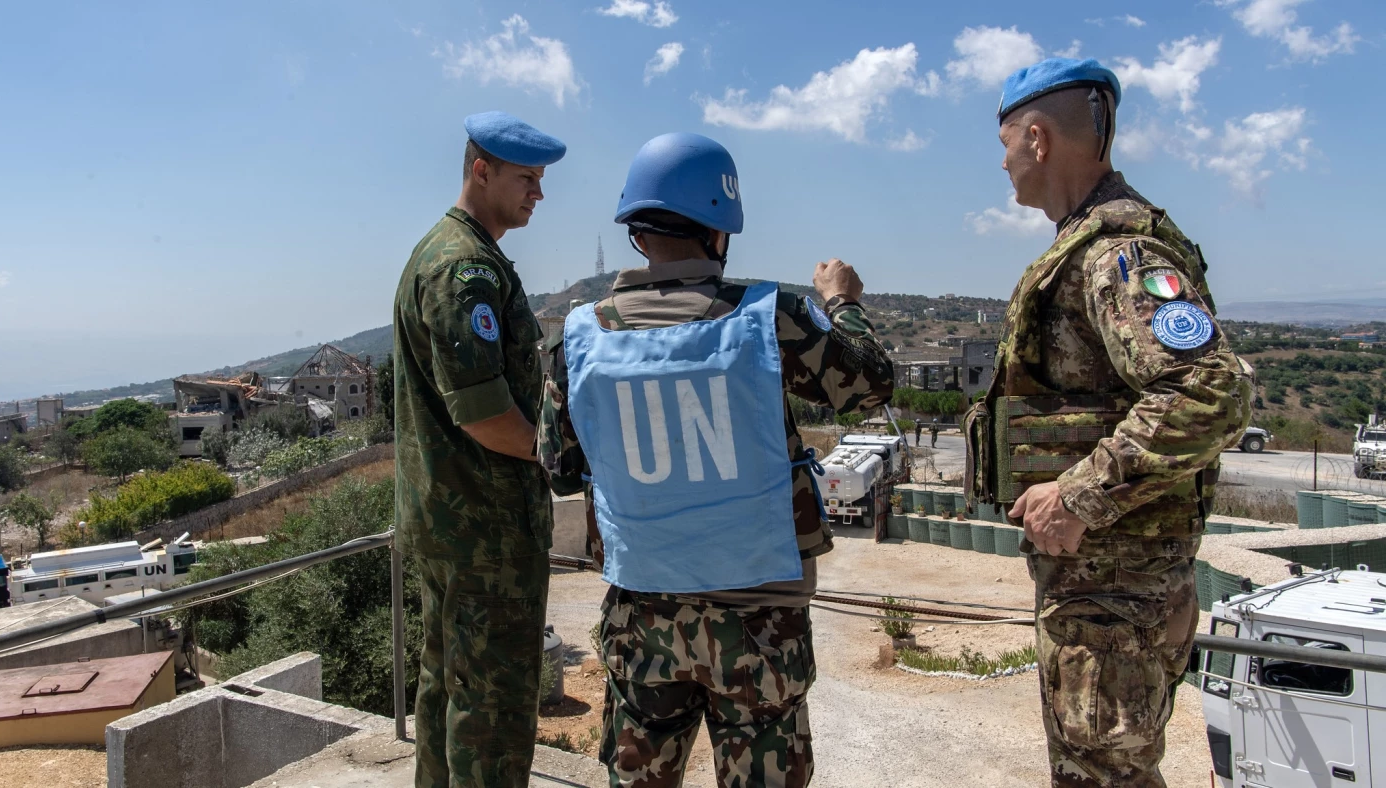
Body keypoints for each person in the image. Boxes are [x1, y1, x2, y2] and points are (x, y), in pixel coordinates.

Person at [537, 132, 893, 788]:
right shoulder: (770, 317)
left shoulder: (578, 339)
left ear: (637, 233)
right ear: (721, 230)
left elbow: (557, 467)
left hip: (641, 620)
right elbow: (869, 385)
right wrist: (843, 303)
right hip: (760, 627)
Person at [963, 59, 1253, 787]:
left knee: (1105, 776)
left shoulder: (1117, 256)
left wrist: (1078, 495)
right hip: (1108, 594)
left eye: (1004, 145)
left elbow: (1209, 389)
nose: (1001, 164)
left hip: (1114, 596)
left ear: (1037, 139)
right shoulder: (1092, 245)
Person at [393, 111, 565, 788]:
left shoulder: (451, 251)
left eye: (542, 179)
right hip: (484, 529)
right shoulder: (464, 268)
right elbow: (486, 412)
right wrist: (555, 452)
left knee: (450, 688)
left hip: (452, 521)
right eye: (527, 178)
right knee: (491, 709)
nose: (539, 194)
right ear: (481, 170)